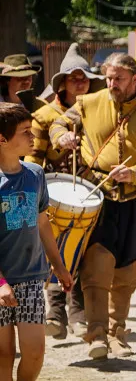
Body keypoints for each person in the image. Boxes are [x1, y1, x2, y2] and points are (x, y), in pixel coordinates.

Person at [50, 53, 136, 360]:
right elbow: (57, 124)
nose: (111, 83)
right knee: (97, 268)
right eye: (108, 78)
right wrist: (62, 137)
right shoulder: (88, 103)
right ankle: (96, 335)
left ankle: (118, 333)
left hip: (133, 201)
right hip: (98, 197)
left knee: (129, 272)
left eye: (118, 78)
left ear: (133, 79)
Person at [0, 102, 73, 381]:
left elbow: (43, 223)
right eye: (25, 132)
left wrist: (58, 265)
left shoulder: (34, 174)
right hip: (0, 282)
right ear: (2, 139)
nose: (32, 136)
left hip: (31, 278)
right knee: (2, 356)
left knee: (34, 351)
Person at [27, 43, 104, 340]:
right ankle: (55, 312)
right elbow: (34, 157)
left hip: (90, 189)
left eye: (83, 76)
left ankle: (79, 314)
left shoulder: (98, 109)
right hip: (55, 191)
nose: (80, 81)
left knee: (84, 252)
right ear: (62, 83)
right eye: (73, 77)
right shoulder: (45, 116)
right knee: (55, 251)